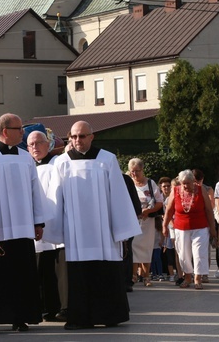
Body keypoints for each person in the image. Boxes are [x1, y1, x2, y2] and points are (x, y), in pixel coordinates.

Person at [53, 121, 141, 330]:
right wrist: (55, 229)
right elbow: (55, 197)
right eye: (73, 137)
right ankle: (79, 317)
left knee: (105, 272)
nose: (77, 140)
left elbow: (118, 197)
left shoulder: (107, 159)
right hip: (75, 232)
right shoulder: (62, 162)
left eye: (82, 136)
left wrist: (121, 231)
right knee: (78, 275)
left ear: (91, 137)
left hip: (103, 232)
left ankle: (109, 315)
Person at [0, 113, 49, 335]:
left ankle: (20, 316)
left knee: (21, 273)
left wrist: (37, 222)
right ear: (5, 132)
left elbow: (35, 191)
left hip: (22, 227)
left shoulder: (25, 158)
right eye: (19, 129)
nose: (23, 133)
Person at [27, 130, 67, 322]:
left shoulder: (56, 164)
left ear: (48, 144)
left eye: (39, 143)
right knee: (38, 270)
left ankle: (58, 307)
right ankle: (42, 307)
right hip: (33, 227)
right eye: (31, 145)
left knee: (53, 271)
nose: (35, 147)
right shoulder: (27, 166)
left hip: (53, 225)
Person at [162, 170, 217, 289]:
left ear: (193, 181)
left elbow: (208, 210)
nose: (185, 186)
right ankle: (187, 277)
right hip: (181, 227)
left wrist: (213, 229)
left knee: (199, 252)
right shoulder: (175, 190)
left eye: (188, 183)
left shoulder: (201, 189)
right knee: (183, 253)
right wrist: (164, 225)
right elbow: (169, 209)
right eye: (183, 183)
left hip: (200, 227)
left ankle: (198, 278)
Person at [128, 158, 164, 287]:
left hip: (148, 221)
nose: (135, 174)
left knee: (146, 248)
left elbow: (160, 202)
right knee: (133, 247)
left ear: (142, 170)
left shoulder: (150, 183)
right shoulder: (128, 183)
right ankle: (133, 275)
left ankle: (146, 276)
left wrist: (149, 210)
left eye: (137, 171)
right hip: (133, 221)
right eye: (132, 171)